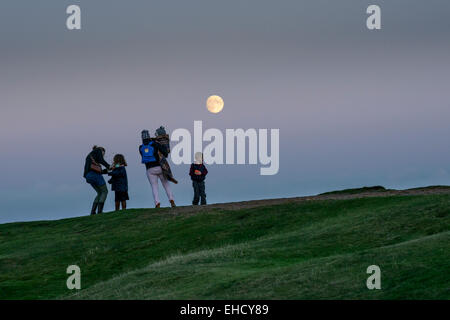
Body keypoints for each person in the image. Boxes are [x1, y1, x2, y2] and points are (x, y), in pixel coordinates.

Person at [139, 130, 176, 208]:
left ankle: (157, 203)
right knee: (166, 184)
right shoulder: (155, 144)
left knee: (154, 187)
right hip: (159, 167)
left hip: (149, 169)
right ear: (149, 135)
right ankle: (171, 200)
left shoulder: (140, 147)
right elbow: (165, 154)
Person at [84, 146, 111, 215]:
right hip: (94, 175)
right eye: (103, 154)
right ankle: (99, 211)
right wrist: (109, 166)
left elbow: (98, 170)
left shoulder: (91, 156)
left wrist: (107, 171)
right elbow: (102, 161)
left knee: (99, 193)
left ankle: (93, 212)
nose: (103, 155)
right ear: (102, 151)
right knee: (105, 191)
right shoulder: (98, 150)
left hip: (88, 176)